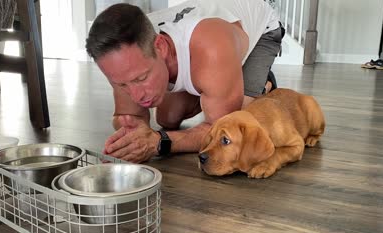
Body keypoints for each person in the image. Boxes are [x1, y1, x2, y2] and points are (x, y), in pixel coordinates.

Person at [86, 0, 284, 163]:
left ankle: (261, 84)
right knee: (167, 119)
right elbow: (126, 115)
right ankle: (217, 86)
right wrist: (130, 134)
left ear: (161, 47)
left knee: (239, 124)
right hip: (209, 58)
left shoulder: (212, 48)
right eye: (122, 85)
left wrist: (158, 141)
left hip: (260, 32)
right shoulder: (125, 55)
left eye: (141, 78)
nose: (136, 96)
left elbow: (217, 131)